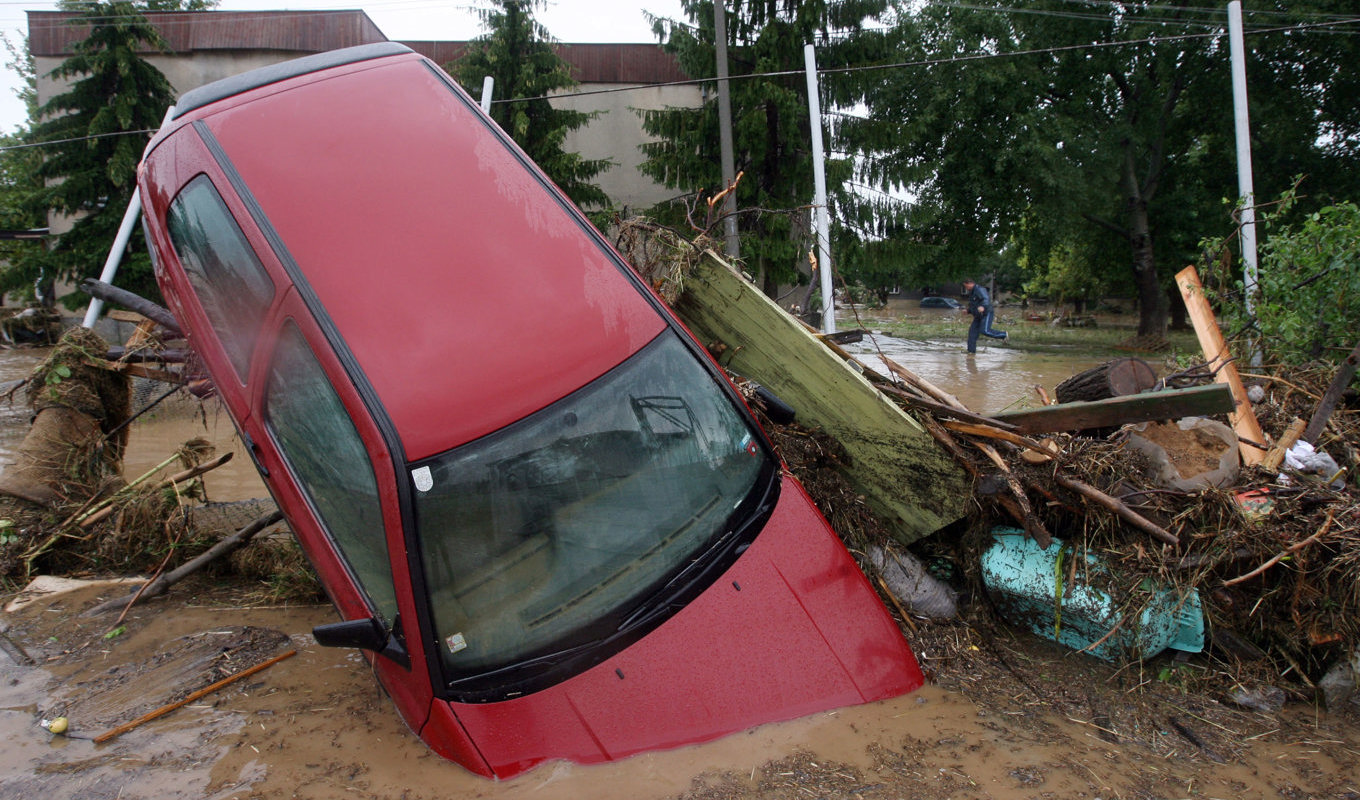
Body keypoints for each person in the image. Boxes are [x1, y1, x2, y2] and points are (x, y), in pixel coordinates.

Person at [961, 279, 1007, 354]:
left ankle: (1003, 335)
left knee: (985, 331)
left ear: (970, 283)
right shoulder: (972, 292)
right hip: (977, 315)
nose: (966, 288)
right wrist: (968, 311)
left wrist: (983, 306)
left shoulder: (979, 289)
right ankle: (971, 352)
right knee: (972, 333)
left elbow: (985, 299)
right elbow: (974, 305)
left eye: (966, 286)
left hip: (986, 313)